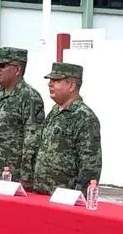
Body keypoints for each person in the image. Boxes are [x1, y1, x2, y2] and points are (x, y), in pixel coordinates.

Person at [30, 62, 101, 194]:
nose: (50, 84)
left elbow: (90, 166)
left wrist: (79, 200)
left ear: (72, 85)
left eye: (56, 80)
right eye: (50, 80)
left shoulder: (84, 117)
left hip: (65, 197)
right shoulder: (54, 112)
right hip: (42, 193)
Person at [0, 46, 45, 186]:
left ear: (17, 70)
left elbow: (33, 141)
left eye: (2, 65)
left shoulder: (29, 97)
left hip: (15, 179)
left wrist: (26, 179)